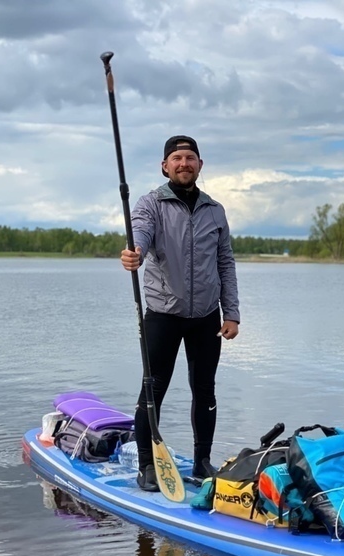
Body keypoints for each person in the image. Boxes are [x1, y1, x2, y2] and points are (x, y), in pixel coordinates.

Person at [121, 135, 240, 491]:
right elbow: (139, 232)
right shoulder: (151, 203)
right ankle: (146, 464)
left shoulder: (214, 210)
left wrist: (230, 313)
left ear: (200, 165)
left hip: (206, 316)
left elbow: (226, 262)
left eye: (190, 157)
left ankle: (203, 462)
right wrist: (135, 252)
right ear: (165, 166)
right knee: (153, 390)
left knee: (205, 391)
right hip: (163, 314)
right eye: (177, 158)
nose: (184, 163)